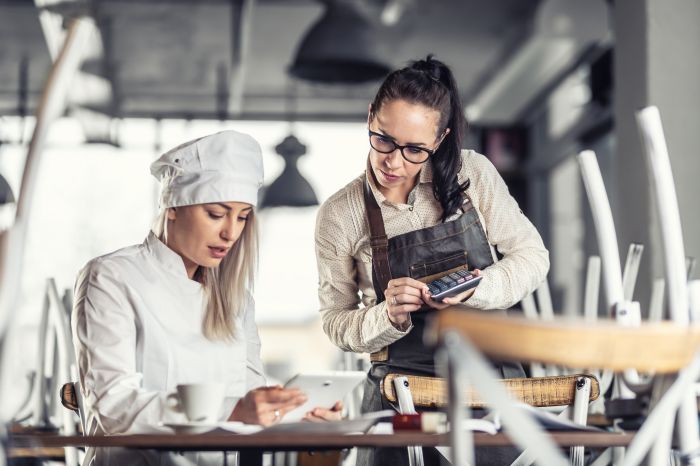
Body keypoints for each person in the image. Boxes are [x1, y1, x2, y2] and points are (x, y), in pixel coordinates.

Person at [314, 56, 550, 465]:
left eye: (414, 150)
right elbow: (336, 320)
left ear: (438, 141)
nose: (394, 161)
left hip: (490, 385)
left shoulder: (471, 173)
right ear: (370, 117)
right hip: (399, 390)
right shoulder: (340, 214)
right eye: (383, 139)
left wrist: (478, 288)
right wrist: (386, 315)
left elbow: (532, 256)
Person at [73, 130, 338, 466]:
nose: (230, 233)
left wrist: (301, 415)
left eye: (242, 217)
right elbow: (115, 408)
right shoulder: (112, 277)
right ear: (171, 206)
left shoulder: (236, 298)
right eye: (216, 214)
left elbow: (251, 399)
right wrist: (234, 410)